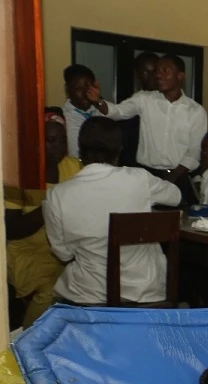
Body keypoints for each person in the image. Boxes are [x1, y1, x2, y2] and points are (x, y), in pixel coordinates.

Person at [44, 117, 180, 305]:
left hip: (88, 295)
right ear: (119, 150)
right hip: (146, 293)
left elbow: (63, 254)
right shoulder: (139, 179)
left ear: (80, 149)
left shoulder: (56, 195)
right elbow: (176, 197)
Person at [89, 54, 208, 206]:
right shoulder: (144, 99)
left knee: (178, 222)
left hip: (178, 177)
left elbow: (194, 152)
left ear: (180, 76)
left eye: (165, 70)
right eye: (158, 70)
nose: (159, 75)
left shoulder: (196, 111)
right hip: (146, 176)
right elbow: (117, 112)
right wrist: (98, 102)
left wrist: (172, 176)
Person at [3, 109, 81, 326]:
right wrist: (51, 203)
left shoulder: (72, 167)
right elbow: (12, 228)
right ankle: (24, 344)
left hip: (65, 251)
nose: (58, 147)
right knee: (51, 290)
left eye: (62, 140)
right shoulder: (20, 173)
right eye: (50, 140)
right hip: (27, 254)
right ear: (37, 142)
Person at [119, 51, 161, 168]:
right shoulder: (131, 104)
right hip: (134, 168)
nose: (151, 76)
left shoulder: (172, 105)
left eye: (154, 71)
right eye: (145, 72)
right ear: (137, 75)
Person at [61, 64, 103, 159]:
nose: (85, 94)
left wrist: (99, 100)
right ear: (67, 89)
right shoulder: (62, 118)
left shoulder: (101, 113)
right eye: (79, 89)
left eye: (89, 89)